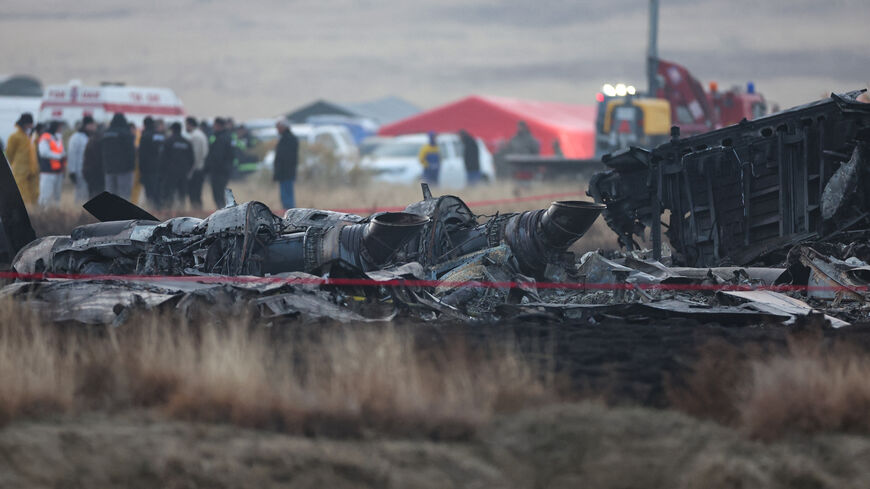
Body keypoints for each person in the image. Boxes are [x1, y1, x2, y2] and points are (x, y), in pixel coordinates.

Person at [4, 113, 38, 205]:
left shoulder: (30, 137)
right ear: (24, 124)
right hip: (20, 172)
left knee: (34, 195)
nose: (31, 126)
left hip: (32, 171)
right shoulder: (14, 137)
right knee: (23, 195)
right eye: (29, 124)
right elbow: (9, 154)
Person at [101, 113, 136, 199]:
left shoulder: (106, 134)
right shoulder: (126, 134)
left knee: (110, 196)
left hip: (109, 169)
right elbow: (131, 152)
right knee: (124, 196)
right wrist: (132, 167)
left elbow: (103, 151)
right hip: (124, 170)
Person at [159, 122, 194, 207]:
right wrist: (187, 169)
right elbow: (192, 159)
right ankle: (181, 210)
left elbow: (163, 158)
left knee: (169, 193)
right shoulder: (186, 142)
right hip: (183, 173)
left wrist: (163, 171)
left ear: (172, 130)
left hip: (170, 173)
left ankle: (168, 210)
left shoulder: (168, 141)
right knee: (182, 194)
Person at [204, 117, 234, 208]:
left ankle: (222, 212)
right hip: (223, 170)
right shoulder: (226, 136)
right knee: (219, 194)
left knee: (218, 194)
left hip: (219, 171)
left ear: (218, 125)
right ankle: (222, 210)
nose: (213, 127)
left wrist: (209, 167)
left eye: (215, 125)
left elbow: (217, 156)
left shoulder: (222, 138)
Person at [37, 120, 66, 207]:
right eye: (60, 127)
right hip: (48, 171)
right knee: (46, 195)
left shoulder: (58, 138)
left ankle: (55, 215)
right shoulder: (45, 137)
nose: (61, 129)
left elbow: (62, 151)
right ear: (55, 127)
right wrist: (58, 156)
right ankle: (42, 214)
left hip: (58, 171)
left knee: (57, 196)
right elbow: (43, 152)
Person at [67, 115, 96, 202]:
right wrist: (72, 171)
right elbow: (72, 155)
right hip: (80, 172)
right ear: (86, 125)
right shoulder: (76, 137)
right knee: (80, 197)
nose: (93, 127)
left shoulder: (91, 137)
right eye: (91, 125)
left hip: (90, 172)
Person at [273, 120, 300, 209]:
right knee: (285, 195)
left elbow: (286, 157)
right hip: (284, 172)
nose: (277, 129)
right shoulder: (285, 138)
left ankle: (289, 212)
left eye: (278, 127)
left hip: (286, 172)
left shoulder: (289, 139)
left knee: (287, 195)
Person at [138, 117, 164, 207]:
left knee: (150, 192)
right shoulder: (161, 135)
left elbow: (142, 155)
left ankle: (152, 210)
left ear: (144, 125)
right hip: (160, 168)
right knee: (158, 192)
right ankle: (160, 210)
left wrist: (141, 169)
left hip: (148, 169)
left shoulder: (145, 136)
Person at [184, 117, 208, 208]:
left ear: (190, 124)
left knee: (194, 195)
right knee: (196, 194)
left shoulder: (195, 136)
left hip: (196, 170)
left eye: (186, 125)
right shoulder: (200, 134)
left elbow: (196, 155)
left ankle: (197, 214)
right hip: (199, 169)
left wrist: (190, 171)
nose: (185, 127)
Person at [82, 125, 105, 198]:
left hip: (88, 171)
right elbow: (100, 159)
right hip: (97, 172)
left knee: (91, 194)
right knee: (98, 194)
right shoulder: (100, 141)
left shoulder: (91, 140)